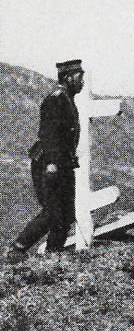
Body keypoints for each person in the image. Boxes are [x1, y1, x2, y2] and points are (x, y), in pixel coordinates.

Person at [7, 60, 84, 261]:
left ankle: (53, 256)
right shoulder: (55, 100)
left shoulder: (67, 99)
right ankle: (17, 249)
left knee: (66, 214)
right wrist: (52, 164)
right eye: (79, 77)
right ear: (68, 78)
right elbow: (48, 134)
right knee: (53, 212)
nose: (82, 82)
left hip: (63, 164)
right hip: (49, 164)